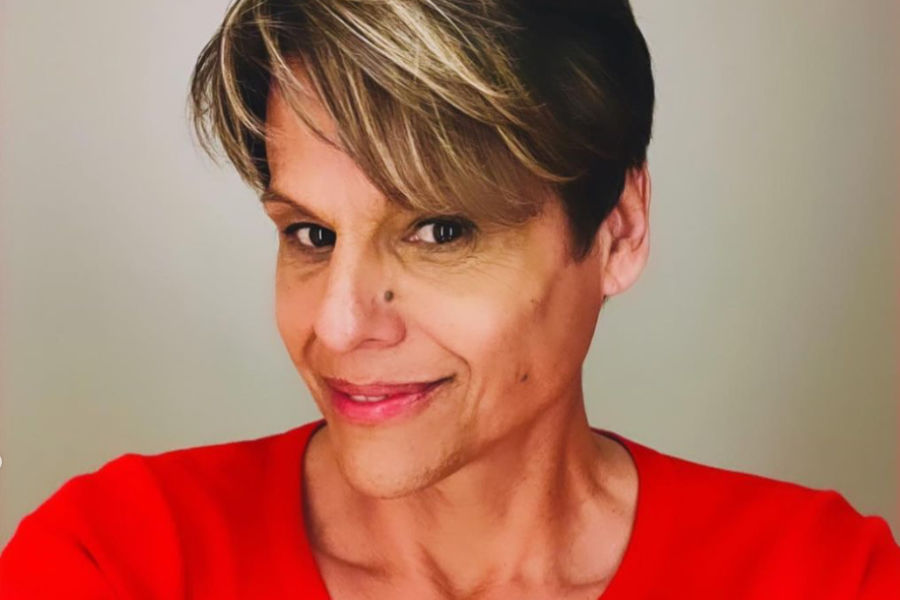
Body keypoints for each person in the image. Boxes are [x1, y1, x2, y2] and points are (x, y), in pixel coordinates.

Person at [1, 0, 898, 597]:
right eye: (310, 235)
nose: (338, 325)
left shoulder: (822, 575)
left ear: (617, 232)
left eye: (440, 232)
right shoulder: (120, 560)